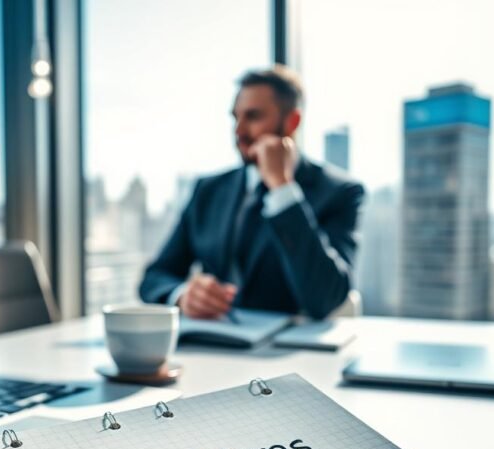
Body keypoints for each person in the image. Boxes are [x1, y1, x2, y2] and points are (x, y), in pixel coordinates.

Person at [138, 66, 365, 320]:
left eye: (253, 117)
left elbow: (326, 298)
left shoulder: (339, 192)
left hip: (293, 351)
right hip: (212, 342)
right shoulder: (208, 190)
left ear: (292, 122)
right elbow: (155, 277)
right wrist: (182, 295)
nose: (239, 131)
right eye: (235, 118)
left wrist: (282, 188)